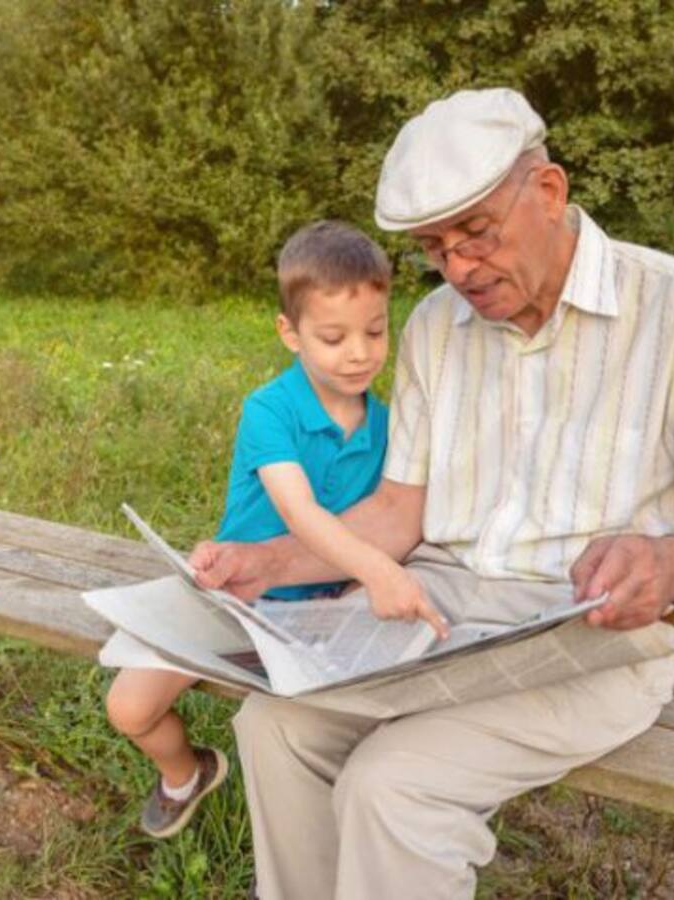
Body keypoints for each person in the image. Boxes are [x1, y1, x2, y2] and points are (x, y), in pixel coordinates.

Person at [192, 88, 674, 898]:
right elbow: (400, 510)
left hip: (589, 639)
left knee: (393, 784)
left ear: (548, 192)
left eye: (475, 234)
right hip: (435, 612)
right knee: (274, 726)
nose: (459, 268)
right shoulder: (439, 327)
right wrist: (268, 561)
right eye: (434, 249)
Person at [105, 220, 443, 839]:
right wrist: (378, 570)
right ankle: (188, 773)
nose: (360, 353)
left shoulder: (392, 426)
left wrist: (370, 578)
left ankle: (326, 840)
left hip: (323, 611)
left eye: (375, 331)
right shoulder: (269, 409)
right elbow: (299, 514)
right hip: (240, 594)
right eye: (334, 337)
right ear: (290, 333)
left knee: (331, 733)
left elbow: (396, 517)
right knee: (129, 707)